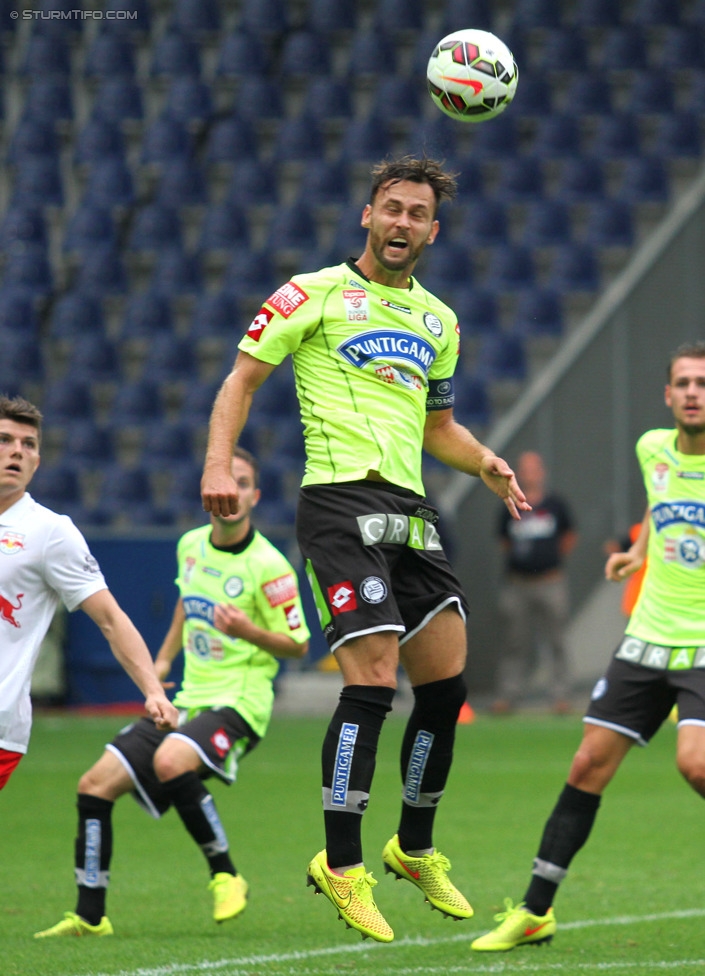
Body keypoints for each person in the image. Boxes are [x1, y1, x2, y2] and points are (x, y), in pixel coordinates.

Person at [200, 155, 530, 944]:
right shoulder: (311, 292)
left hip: (411, 508)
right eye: (391, 209)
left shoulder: (439, 321)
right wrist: (217, 462)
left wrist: (482, 459)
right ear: (367, 216)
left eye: (417, 214)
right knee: (374, 681)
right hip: (339, 503)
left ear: (432, 231)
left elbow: (438, 428)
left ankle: (411, 848)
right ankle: (341, 866)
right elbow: (242, 379)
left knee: (447, 686)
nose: (402, 224)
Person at [472, 340, 705, 953]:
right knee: (586, 764)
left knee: (696, 763)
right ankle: (536, 911)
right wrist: (638, 550)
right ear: (667, 394)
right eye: (682, 382)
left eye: (702, 383)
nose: (692, 392)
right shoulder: (652, 449)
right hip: (648, 637)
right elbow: (663, 508)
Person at [35, 447, 310, 937]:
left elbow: (299, 645)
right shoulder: (190, 546)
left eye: (243, 483)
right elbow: (187, 600)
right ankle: (89, 916)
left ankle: (226, 874)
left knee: (170, 761)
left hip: (240, 702)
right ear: (211, 494)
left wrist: (248, 632)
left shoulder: (270, 566)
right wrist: (161, 661)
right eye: (226, 483)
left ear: (254, 495)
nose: (233, 493)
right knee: (93, 785)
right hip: (190, 696)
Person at [0, 394, 177, 794]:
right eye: (5, 440)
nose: (17, 452)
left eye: (28, 445)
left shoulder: (49, 532)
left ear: (38, 462)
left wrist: (152, 690)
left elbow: (111, 620)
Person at [492, 451, 578, 715]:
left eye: (533, 469)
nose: (529, 474)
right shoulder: (508, 503)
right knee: (514, 641)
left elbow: (569, 536)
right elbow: (503, 540)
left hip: (551, 582)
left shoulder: (556, 504)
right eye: (524, 469)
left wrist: (549, 560)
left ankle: (561, 696)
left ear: (542, 472)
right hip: (518, 583)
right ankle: (508, 696)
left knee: (557, 641)